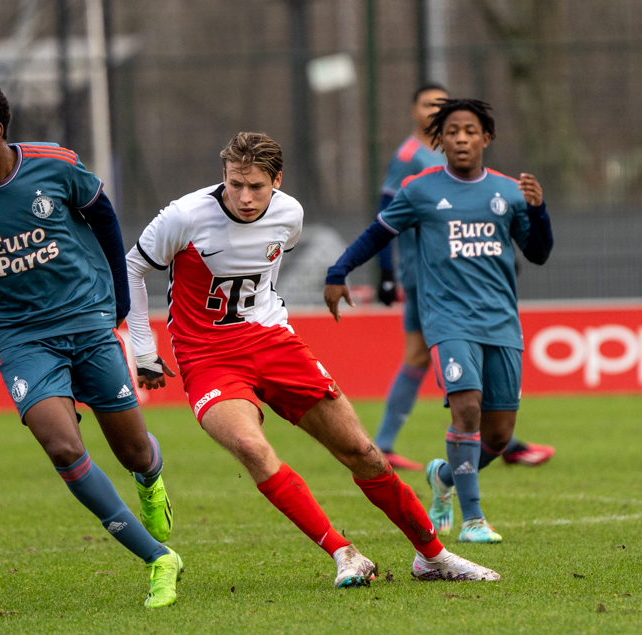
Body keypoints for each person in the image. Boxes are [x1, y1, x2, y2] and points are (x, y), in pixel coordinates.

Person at [126, 131, 499, 586]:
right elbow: (132, 267)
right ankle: (345, 554)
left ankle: (433, 557)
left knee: (363, 452)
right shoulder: (184, 216)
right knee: (251, 447)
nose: (244, 197)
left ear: (277, 181)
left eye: (256, 186)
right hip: (208, 357)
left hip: (272, 343)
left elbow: (263, 273)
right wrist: (144, 350)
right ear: (223, 175)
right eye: (235, 184)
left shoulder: (290, 214)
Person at [0, 81, 180, 609]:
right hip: (20, 339)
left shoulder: (55, 165)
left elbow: (104, 217)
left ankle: (150, 477)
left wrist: (118, 297)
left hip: (87, 321)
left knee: (132, 451)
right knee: (63, 447)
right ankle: (158, 559)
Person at [324, 99, 554, 543]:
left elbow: (539, 253)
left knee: (499, 436)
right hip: (447, 319)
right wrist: (339, 271)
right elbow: (378, 233)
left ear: (486, 138)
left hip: (501, 323)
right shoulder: (420, 190)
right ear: (440, 141)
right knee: (466, 407)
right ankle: (473, 520)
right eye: (452, 132)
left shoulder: (509, 192)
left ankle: (444, 476)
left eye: (470, 131)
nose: (461, 139)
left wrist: (538, 210)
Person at [373, 84, 554, 471]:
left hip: (456, 273)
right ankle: (499, 442)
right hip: (427, 277)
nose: (434, 110)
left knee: (422, 356)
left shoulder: (445, 154)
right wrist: (385, 272)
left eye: (440, 104)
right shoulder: (409, 156)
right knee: (440, 354)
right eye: (428, 104)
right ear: (414, 111)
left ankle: (494, 439)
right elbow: (385, 213)